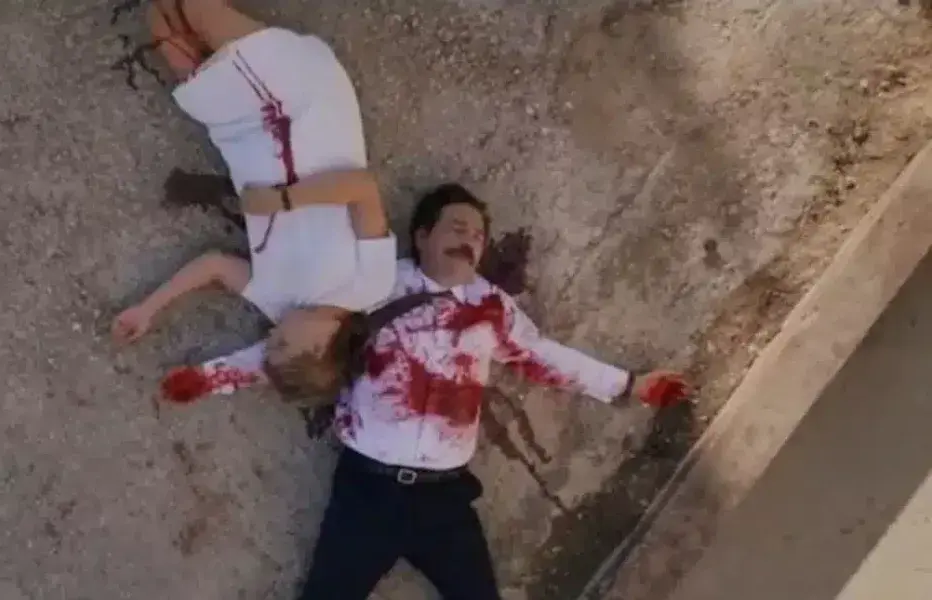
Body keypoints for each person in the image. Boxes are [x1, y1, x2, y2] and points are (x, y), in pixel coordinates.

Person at [229, 182, 692, 599]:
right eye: (456, 227)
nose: (469, 239)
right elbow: (303, 337)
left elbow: (541, 354)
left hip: (443, 500)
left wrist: (628, 385)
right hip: (367, 490)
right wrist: (218, 376)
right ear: (422, 236)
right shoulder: (376, 285)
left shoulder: (492, 308)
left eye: (477, 235)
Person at [110, 0, 397, 400]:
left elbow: (214, 266)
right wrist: (283, 200)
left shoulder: (275, 304)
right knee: (189, 8)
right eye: (282, 342)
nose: (272, 333)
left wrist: (148, 309)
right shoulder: (368, 287)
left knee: (161, 25)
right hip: (294, 111)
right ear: (321, 346)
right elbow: (362, 188)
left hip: (238, 130)